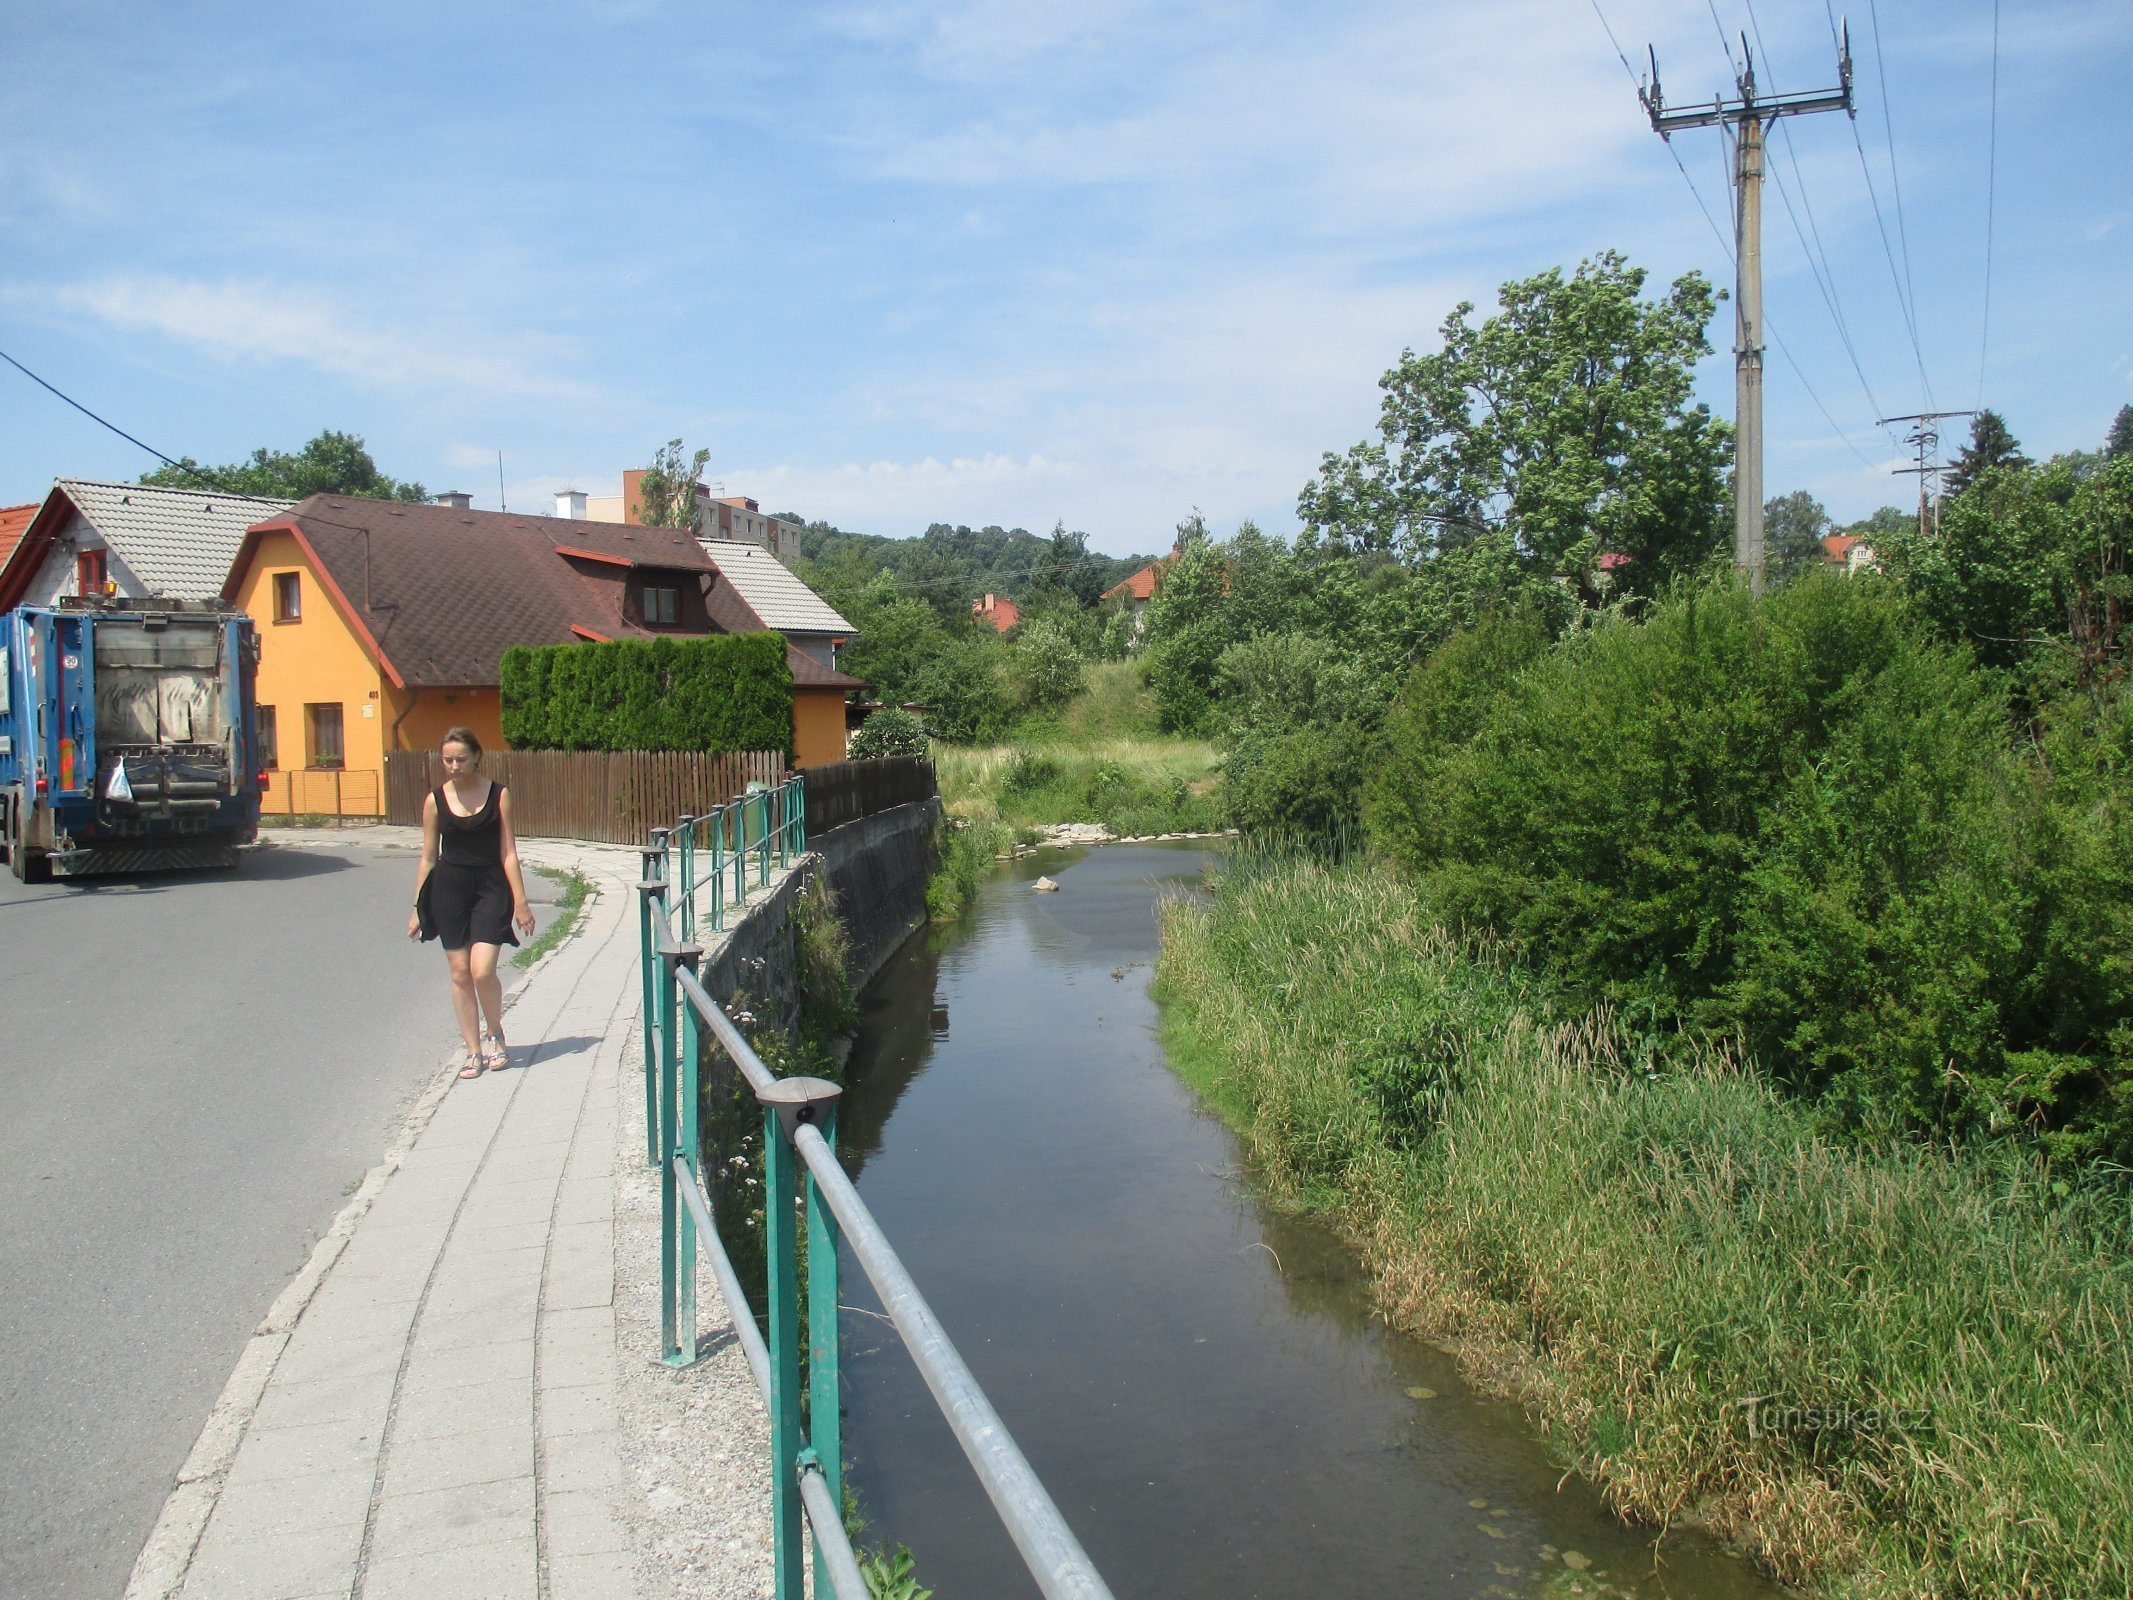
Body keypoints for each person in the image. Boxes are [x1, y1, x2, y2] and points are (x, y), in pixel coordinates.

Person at [406, 728, 536, 1078]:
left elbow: (508, 852)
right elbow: (428, 856)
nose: (453, 765)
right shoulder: (435, 800)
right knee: (460, 972)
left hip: (491, 886)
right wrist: (418, 907)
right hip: (449, 890)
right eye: (447, 759)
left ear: (476, 757)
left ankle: (496, 1033)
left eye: (461, 759)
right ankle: (473, 1049)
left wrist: (520, 902)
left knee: (482, 969)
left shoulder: (499, 795)